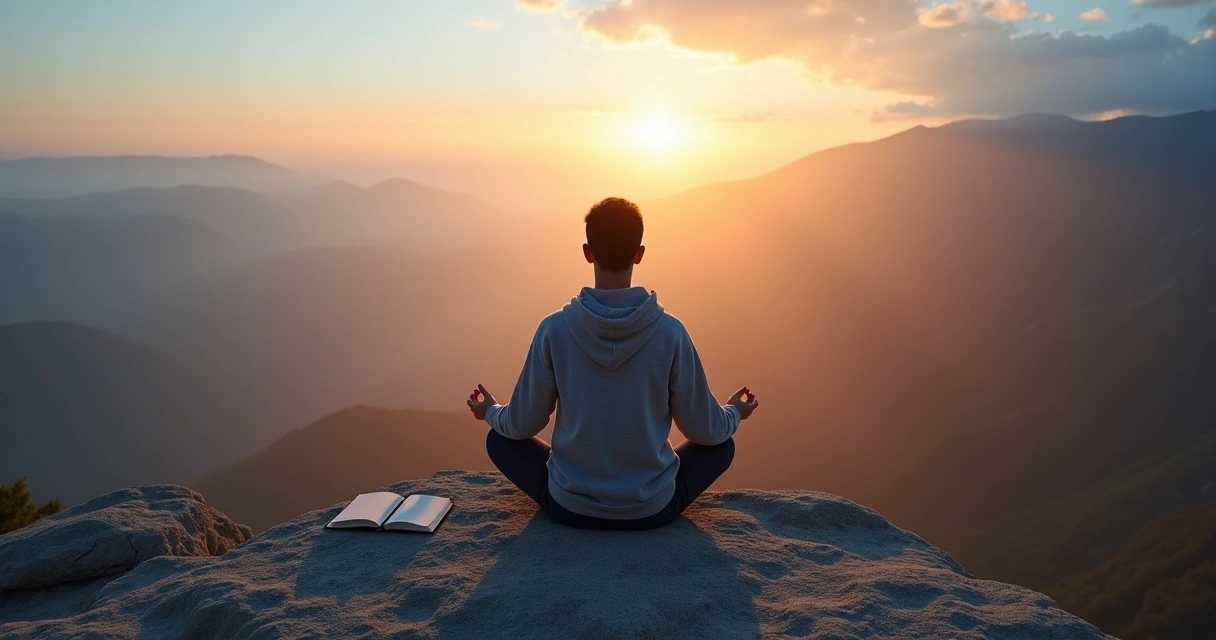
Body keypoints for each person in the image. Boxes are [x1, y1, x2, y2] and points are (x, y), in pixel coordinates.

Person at [466, 197, 758, 530]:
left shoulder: (554, 329)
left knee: (499, 439)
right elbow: (705, 431)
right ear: (639, 253)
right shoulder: (670, 333)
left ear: (587, 252)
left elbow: (521, 425)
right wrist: (734, 413)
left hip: (569, 507)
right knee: (722, 446)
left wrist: (490, 411)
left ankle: (576, 486)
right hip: (651, 510)